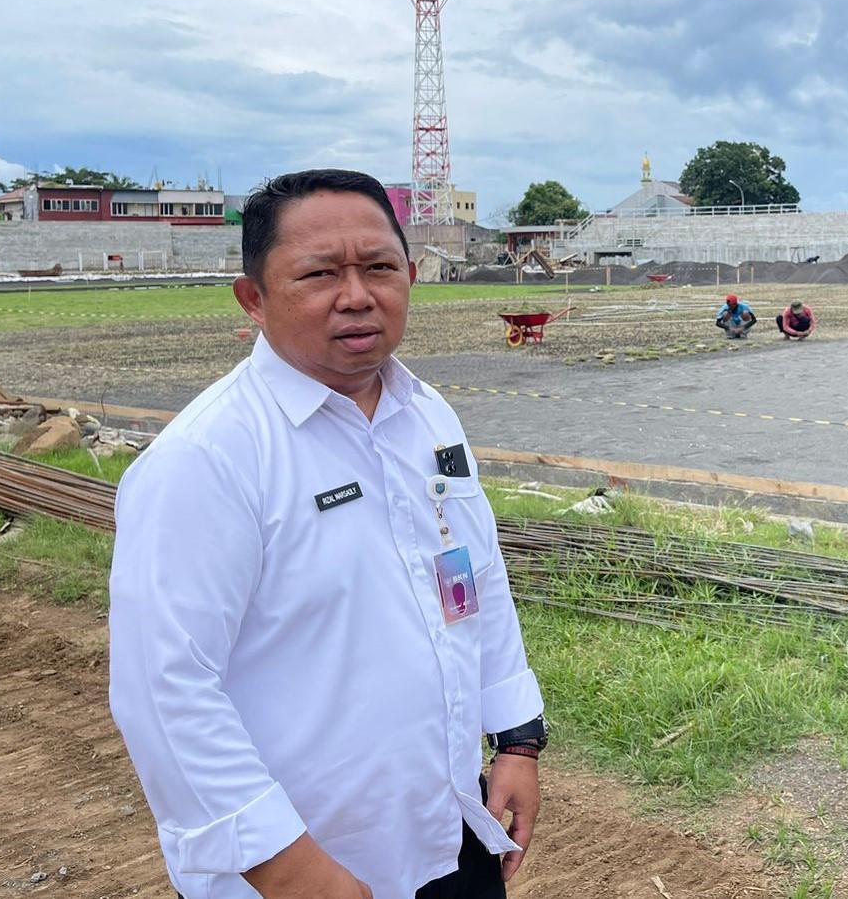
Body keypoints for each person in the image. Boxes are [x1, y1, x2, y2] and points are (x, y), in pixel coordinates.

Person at [108, 170, 546, 899]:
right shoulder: (207, 458)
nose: (356, 294)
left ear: (409, 276)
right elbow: (164, 689)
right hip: (299, 866)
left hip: (445, 832)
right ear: (253, 299)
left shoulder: (428, 415)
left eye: (378, 267)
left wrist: (517, 741)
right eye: (318, 274)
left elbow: (472, 580)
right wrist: (290, 871)